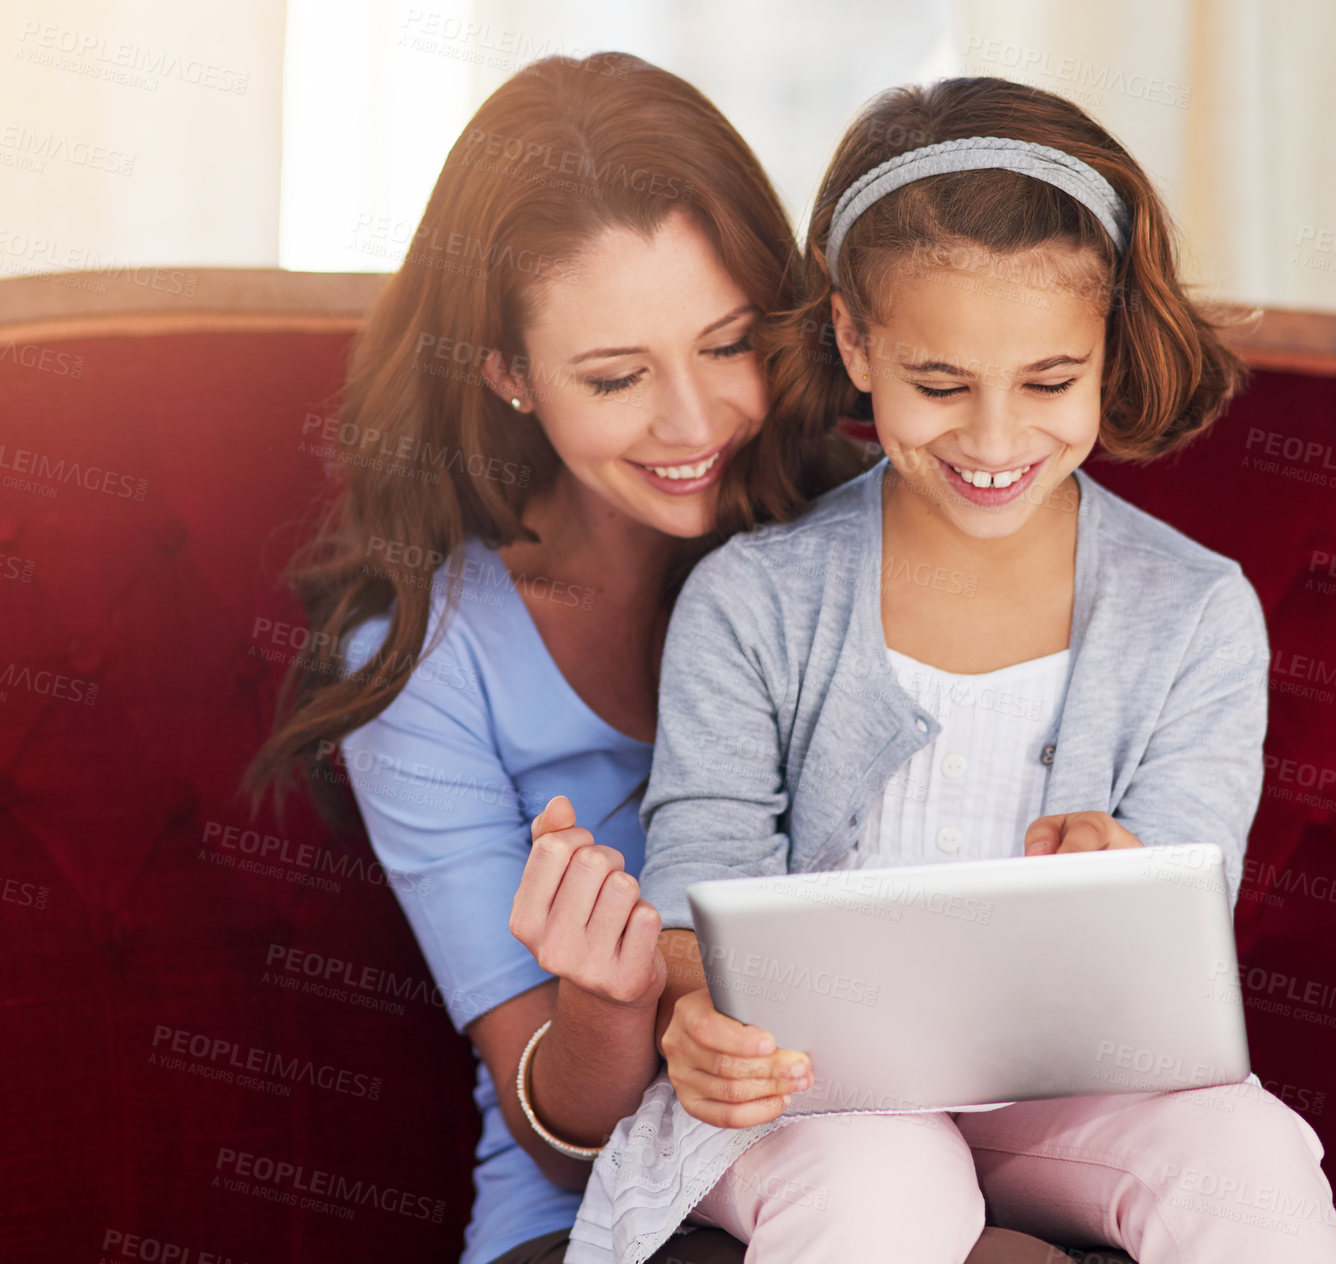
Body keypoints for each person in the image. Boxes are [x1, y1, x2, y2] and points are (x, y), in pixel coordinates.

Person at [564, 78, 1336, 1264]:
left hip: (1070, 1092)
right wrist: (696, 1021)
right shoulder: (753, 600)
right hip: (811, 1095)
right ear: (854, 343)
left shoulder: (1195, 611)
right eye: (939, 387)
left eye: (1048, 383)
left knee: (1255, 1158)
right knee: (888, 1175)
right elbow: (692, 903)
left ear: (1103, 353)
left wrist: (1126, 879)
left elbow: (1191, 915)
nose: (994, 442)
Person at [242, 52, 870, 1264]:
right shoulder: (427, 652)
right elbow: (556, 1140)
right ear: (510, 375)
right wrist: (609, 999)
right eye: (617, 376)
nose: (693, 424)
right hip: (601, 1219)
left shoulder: (864, 541)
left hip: (880, 1164)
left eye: (729, 343)